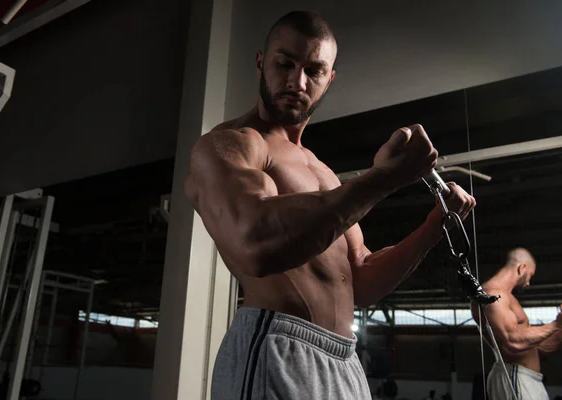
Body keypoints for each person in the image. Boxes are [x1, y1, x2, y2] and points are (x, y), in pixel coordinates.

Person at [184, 10, 476, 400]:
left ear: (330, 79)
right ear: (260, 62)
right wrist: (382, 180)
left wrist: (435, 225)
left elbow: (361, 279)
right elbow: (252, 242)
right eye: (284, 63)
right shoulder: (233, 145)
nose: (296, 81)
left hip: (344, 360)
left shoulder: (323, 173)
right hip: (276, 347)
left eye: (314, 70)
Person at [471, 248, 562, 400]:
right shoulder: (492, 295)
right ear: (522, 268)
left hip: (526, 378)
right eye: (530, 276)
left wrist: (559, 328)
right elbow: (512, 342)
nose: (528, 283)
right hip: (515, 376)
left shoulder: (507, 298)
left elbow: (534, 347)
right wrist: (555, 325)